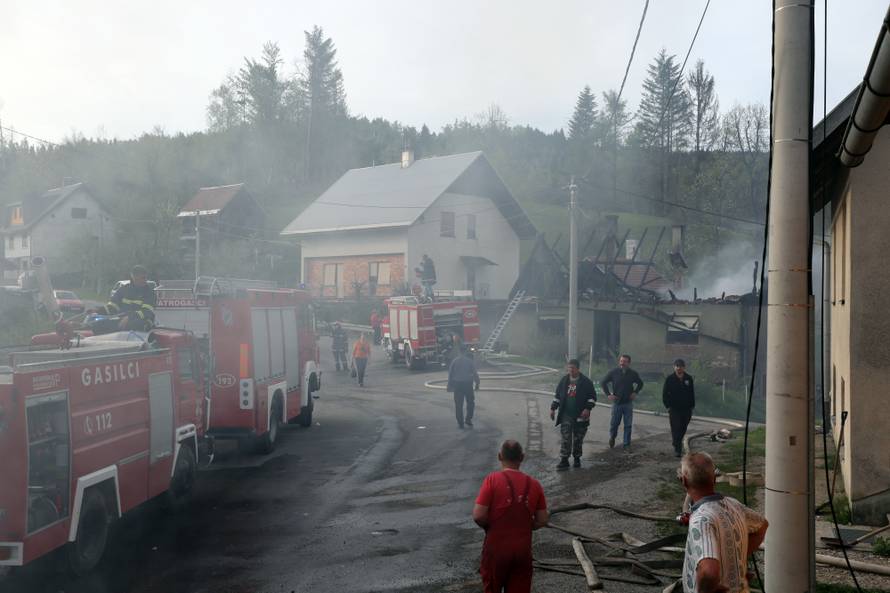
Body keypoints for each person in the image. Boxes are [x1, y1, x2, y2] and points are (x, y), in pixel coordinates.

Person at [678, 452, 768, 593]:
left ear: (684, 481)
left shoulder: (701, 520)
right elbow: (762, 526)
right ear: (714, 479)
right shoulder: (734, 505)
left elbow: (709, 572)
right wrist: (738, 562)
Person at [473, 440, 549, 593]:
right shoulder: (534, 484)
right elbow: (542, 519)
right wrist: (526, 526)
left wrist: (492, 526)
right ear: (522, 457)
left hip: (496, 551)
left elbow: (478, 515)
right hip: (522, 551)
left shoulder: (492, 480)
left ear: (499, 456)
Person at [550, 359, 597, 470]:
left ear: (578, 368)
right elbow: (557, 396)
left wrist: (587, 408)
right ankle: (564, 460)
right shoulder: (564, 381)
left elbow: (592, 398)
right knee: (566, 437)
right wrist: (553, 408)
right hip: (566, 414)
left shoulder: (586, 382)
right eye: (569, 367)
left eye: (573, 368)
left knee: (578, 438)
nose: (570, 370)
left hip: (581, 416)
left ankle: (577, 459)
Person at [600, 354, 644, 450]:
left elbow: (640, 383)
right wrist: (608, 394)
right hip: (617, 403)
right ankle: (612, 437)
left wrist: (635, 392)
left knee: (628, 425)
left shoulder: (633, 374)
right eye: (621, 361)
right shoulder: (614, 372)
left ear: (629, 363)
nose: (622, 363)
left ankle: (626, 444)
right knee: (614, 424)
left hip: (628, 403)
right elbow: (603, 382)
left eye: (624, 361)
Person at [105, 265, 156, 331]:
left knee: (133, 325)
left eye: (145, 278)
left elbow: (146, 312)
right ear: (133, 277)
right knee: (98, 324)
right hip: (122, 320)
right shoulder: (123, 289)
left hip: (142, 322)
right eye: (141, 278)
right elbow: (112, 306)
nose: (144, 280)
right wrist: (98, 311)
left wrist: (130, 317)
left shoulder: (149, 293)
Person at [663, 359, 696, 457]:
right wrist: (667, 406)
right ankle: (677, 448)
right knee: (676, 427)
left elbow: (691, 393)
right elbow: (665, 394)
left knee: (683, 427)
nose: (679, 368)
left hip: (686, 408)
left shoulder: (688, 378)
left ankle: (677, 442)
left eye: (680, 366)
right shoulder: (670, 379)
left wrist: (692, 405)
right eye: (677, 366)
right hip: (674, 408)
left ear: (684, 367)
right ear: (674, 367)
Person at [448, 347, 480, 429]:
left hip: (457, 385)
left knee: (458, 405)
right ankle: (468, 419)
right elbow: (475, 373)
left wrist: (449, 385)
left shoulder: (454, 361)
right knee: (470, 402)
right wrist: (477, 383)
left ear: (459, 352)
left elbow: (450, 374)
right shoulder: (469, 362)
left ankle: (460, 423)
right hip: (468, 384)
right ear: (465, 352)